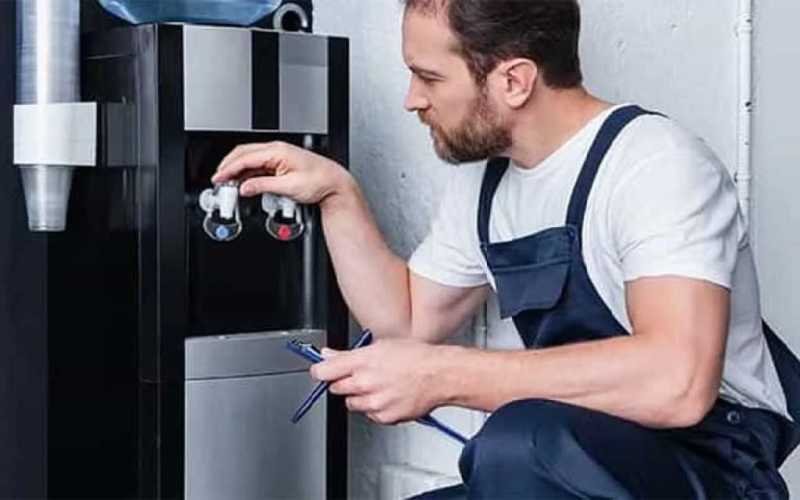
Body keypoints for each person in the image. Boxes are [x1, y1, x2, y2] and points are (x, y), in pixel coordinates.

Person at [212, 0, 800, 497]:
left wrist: (444, 375)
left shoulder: (655, 165)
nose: (412, 100)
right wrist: (337, 195)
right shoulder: (488, 183)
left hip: (711, 465)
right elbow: (407, 321)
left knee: (520, 443)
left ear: (514, 81)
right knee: (520, 451)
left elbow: (677, 381)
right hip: (570, 461)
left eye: (429, 78)